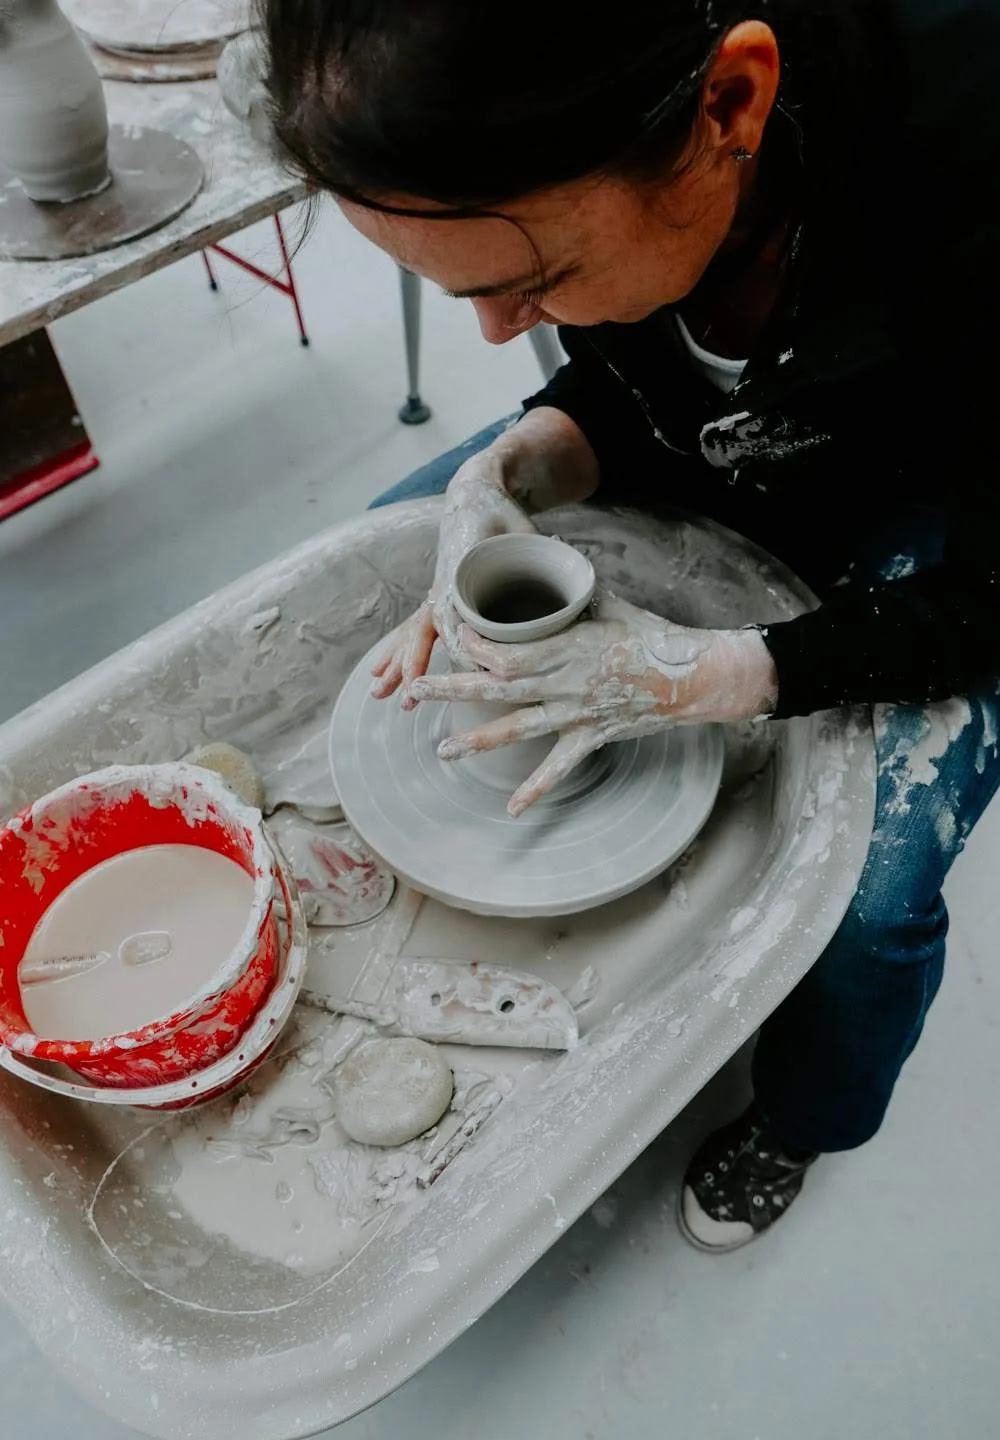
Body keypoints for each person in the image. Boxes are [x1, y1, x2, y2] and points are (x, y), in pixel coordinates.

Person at [261, 0, 1000, 1249]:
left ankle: (806, 1117)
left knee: (865, 894)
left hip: (946, 495)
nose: (494, 331)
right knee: (397, 538)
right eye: (460, 291)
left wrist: (729, 671)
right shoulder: (619, 120)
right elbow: (635, 359)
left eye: (532, 282)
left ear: (730, 106)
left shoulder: (962, 165)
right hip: (751, 419)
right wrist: (529, 456)